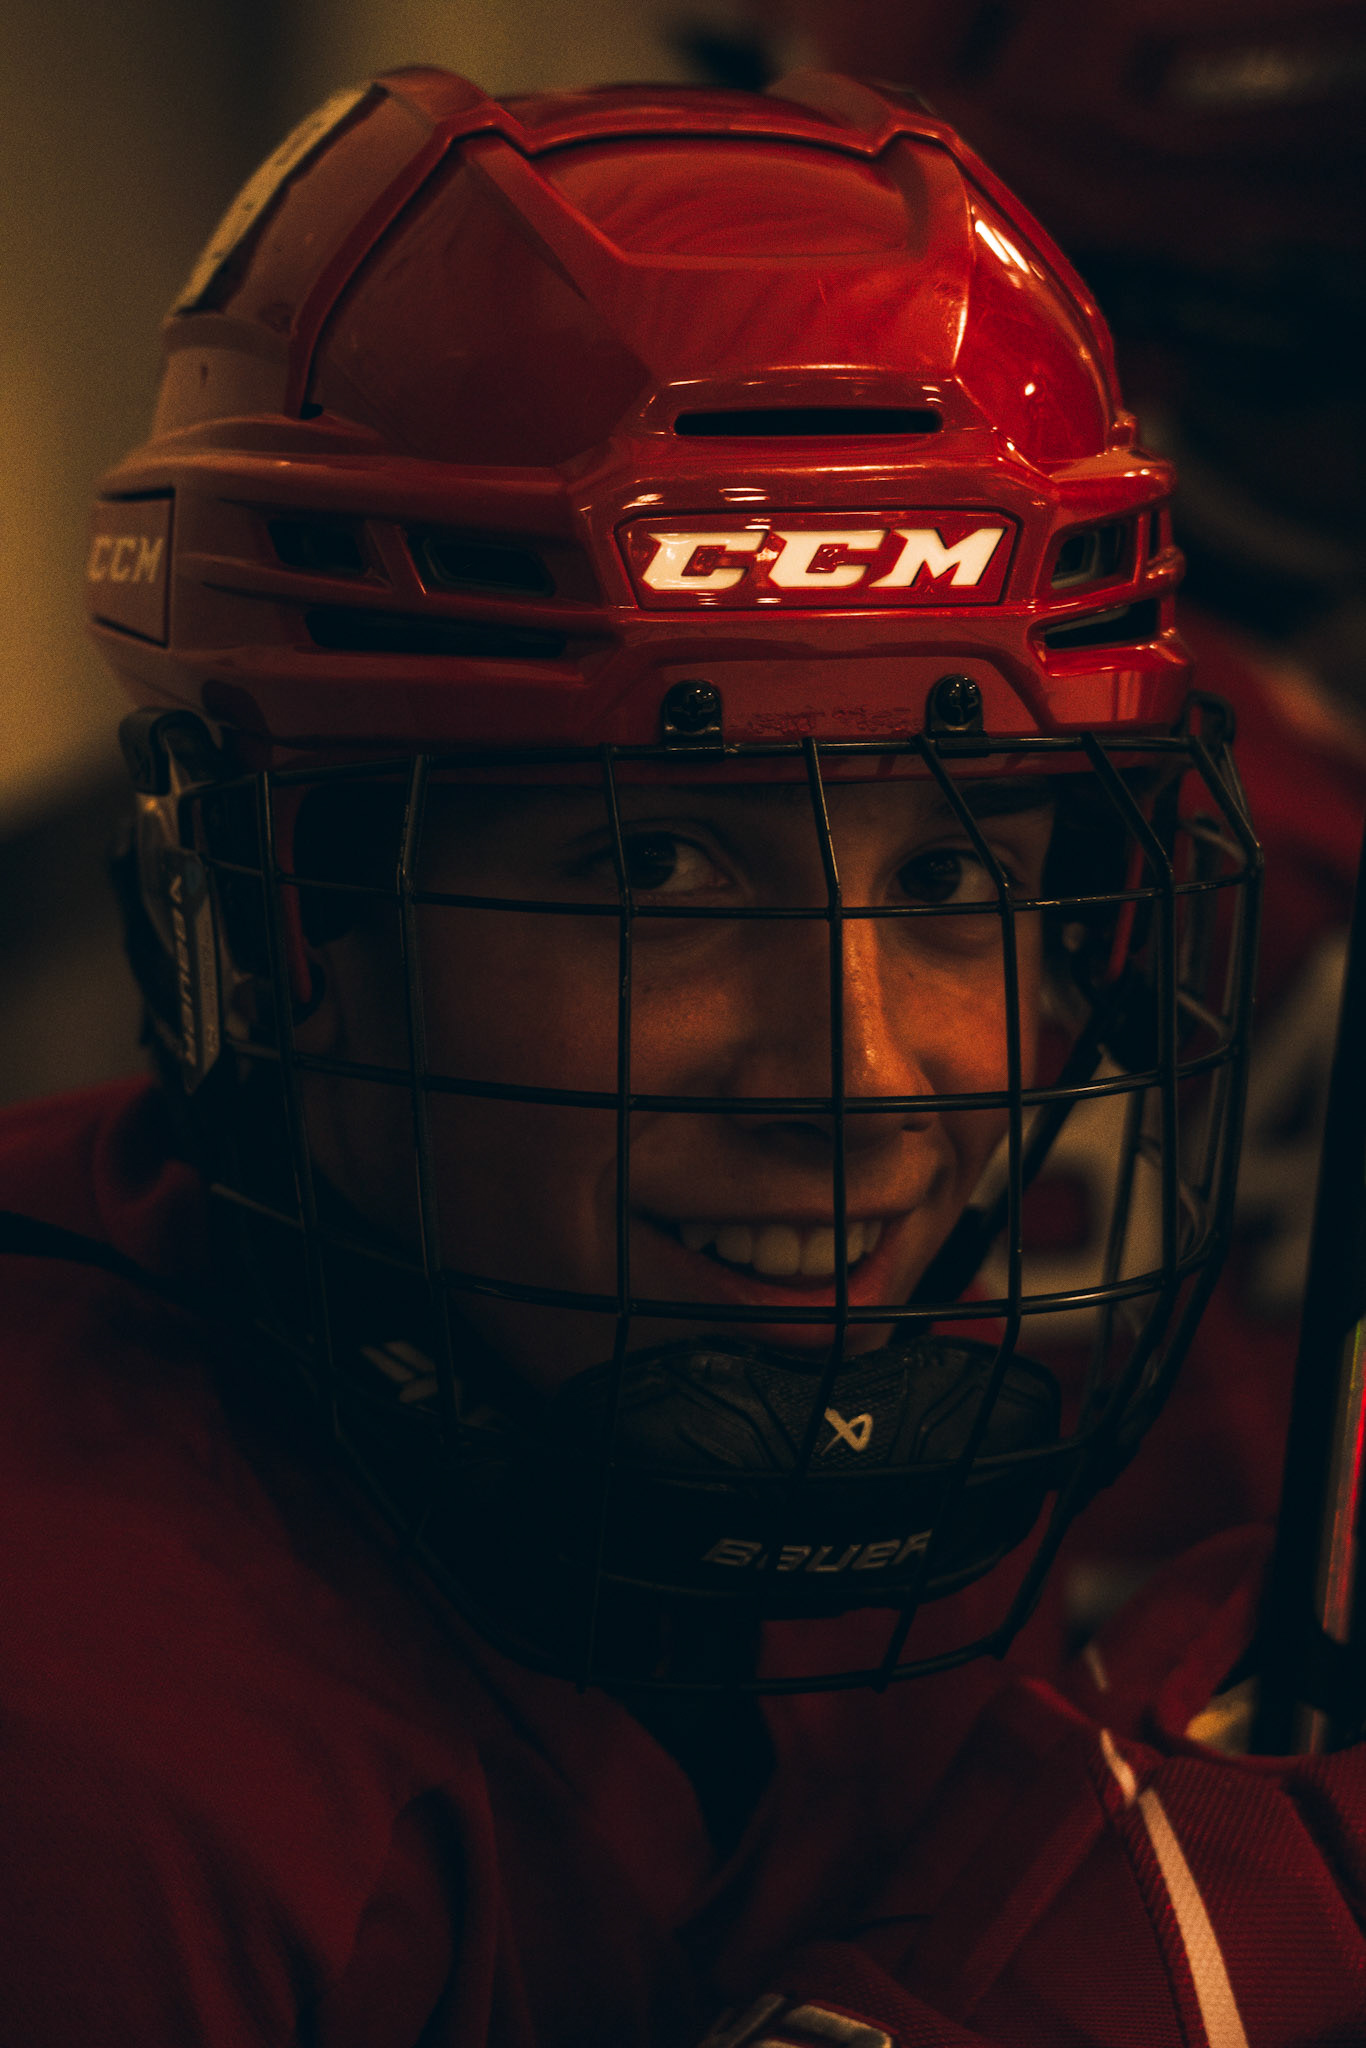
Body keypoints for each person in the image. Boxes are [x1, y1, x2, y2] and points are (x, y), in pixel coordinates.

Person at [3, 64, 1363, 2046]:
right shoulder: (92, 1761)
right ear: (291, 917)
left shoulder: (797, 1468)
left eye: (954, 873)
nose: (867, 1080)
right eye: (654, 867)